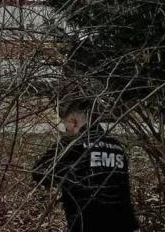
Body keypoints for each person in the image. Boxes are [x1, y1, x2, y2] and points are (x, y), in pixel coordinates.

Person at [32, 95, 140, 232]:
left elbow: (38, 172)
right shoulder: (117, 147)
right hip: (126, 225)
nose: (67, 131)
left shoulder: (70, 145)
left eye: (66, 128)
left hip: (86, 225)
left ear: (73, 122)